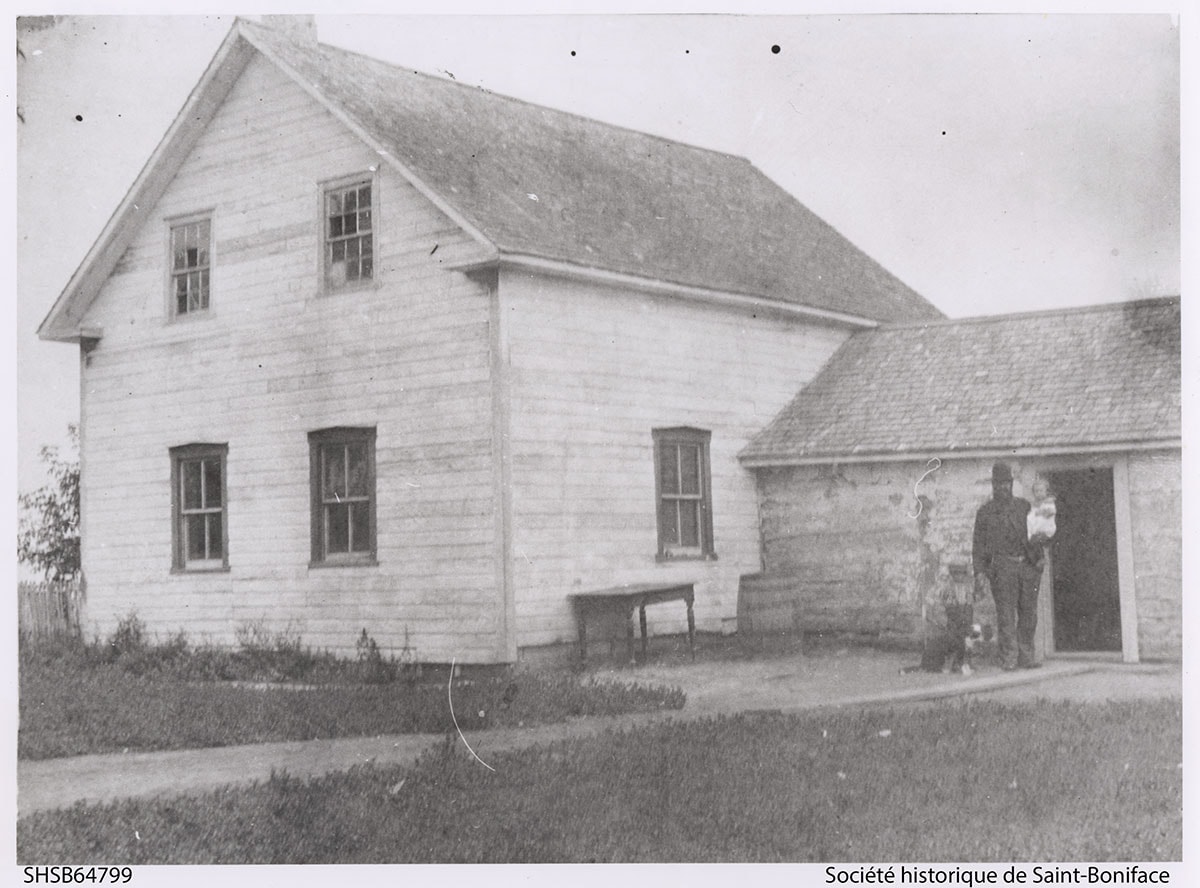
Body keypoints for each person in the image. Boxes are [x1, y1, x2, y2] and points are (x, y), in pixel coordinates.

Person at [972, 462, 1041, 670]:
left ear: (1011, 484)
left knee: (1029, 614)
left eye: (1006, 483)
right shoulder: (985, 513)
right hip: (1002, 569)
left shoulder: (1024, 507)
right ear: (993, 485)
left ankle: (1026, 657)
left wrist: (1039, 561)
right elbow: (978, 546)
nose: (1003, 487)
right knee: (1006, 616)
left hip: (1026, 568)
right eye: (998, 484)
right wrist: (980, 572)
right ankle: (1009, 658)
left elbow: (1035, 536)